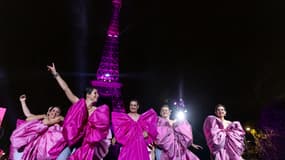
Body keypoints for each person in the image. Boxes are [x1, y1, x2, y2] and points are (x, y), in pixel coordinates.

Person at [47, 63, 110, 160]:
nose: (98, 95)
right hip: (71, 139)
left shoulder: (97, 112)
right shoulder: (78, 103)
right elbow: (66, 89)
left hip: (85, 144)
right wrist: (55, 74)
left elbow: (102, 128)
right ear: (88, 95)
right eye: (95, 93)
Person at [10, 94, 64, 160]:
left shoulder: (57, 125)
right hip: (30, 147)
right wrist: (23, 101)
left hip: (43, 151)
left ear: (59, 115)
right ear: (49, 112)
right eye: (53, 110)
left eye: (57, 112)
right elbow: (28, 115)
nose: (55, 113)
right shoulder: (41, 120)